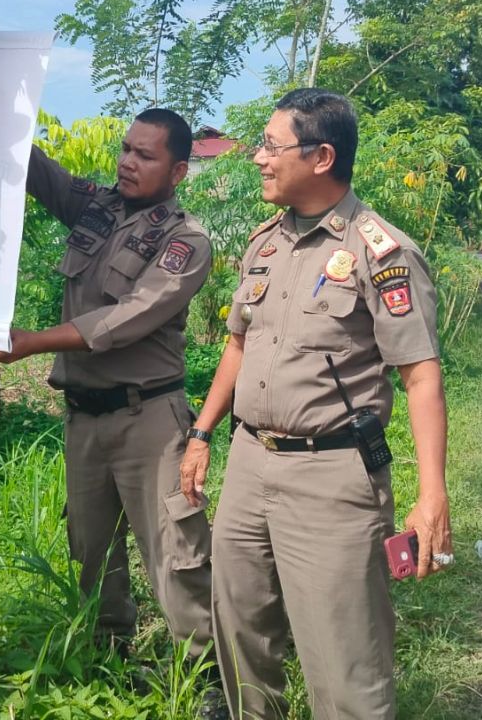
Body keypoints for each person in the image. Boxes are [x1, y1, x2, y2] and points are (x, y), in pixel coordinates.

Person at [179, 88, 452, 719]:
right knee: (243, 636)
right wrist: (203, 434)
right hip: (249, 464)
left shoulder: (379, 251)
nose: (258, 158)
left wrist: (432, 493)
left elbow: (421, 377)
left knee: (345, 666)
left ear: (322, 156)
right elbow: (237, 346)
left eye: (272, 146)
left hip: (332, 476)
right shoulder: (266, 244)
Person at [0, 108, 216, 668]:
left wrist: (31, 342)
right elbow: (37, 172)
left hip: (147, 420)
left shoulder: (185, 240)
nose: (128, 162)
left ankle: (207, 682)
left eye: (145, 156)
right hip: (84, 419)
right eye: (126, 149)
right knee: (93, 555)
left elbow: (130, 315)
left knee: (174, 557)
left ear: (177, 172)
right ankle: (110, 662)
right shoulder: (97, 207)